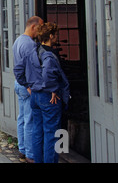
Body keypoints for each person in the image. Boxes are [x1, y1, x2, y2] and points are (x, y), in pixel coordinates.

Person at [27, 22, 70, 163]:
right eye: (56, 35)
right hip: (48, 97)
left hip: (35, 95)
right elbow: (48, 72)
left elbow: (20, 69)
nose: (57, 37)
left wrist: (28, 85)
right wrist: (52, 88)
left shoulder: (33, 51)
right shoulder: (49, 55)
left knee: (37, 131)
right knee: (51, 134)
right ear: (51, 36)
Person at [12, 16, 43, 163]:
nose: (41, 31)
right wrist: (30, 86)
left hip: (18, 83)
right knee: (30, 120)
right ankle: (31, 155)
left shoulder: (18, 41)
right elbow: (31, 68)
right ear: (33, 27)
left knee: (22, 118)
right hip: (26, 85)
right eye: (40, 27)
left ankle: (22, 150)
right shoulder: (30, 44)